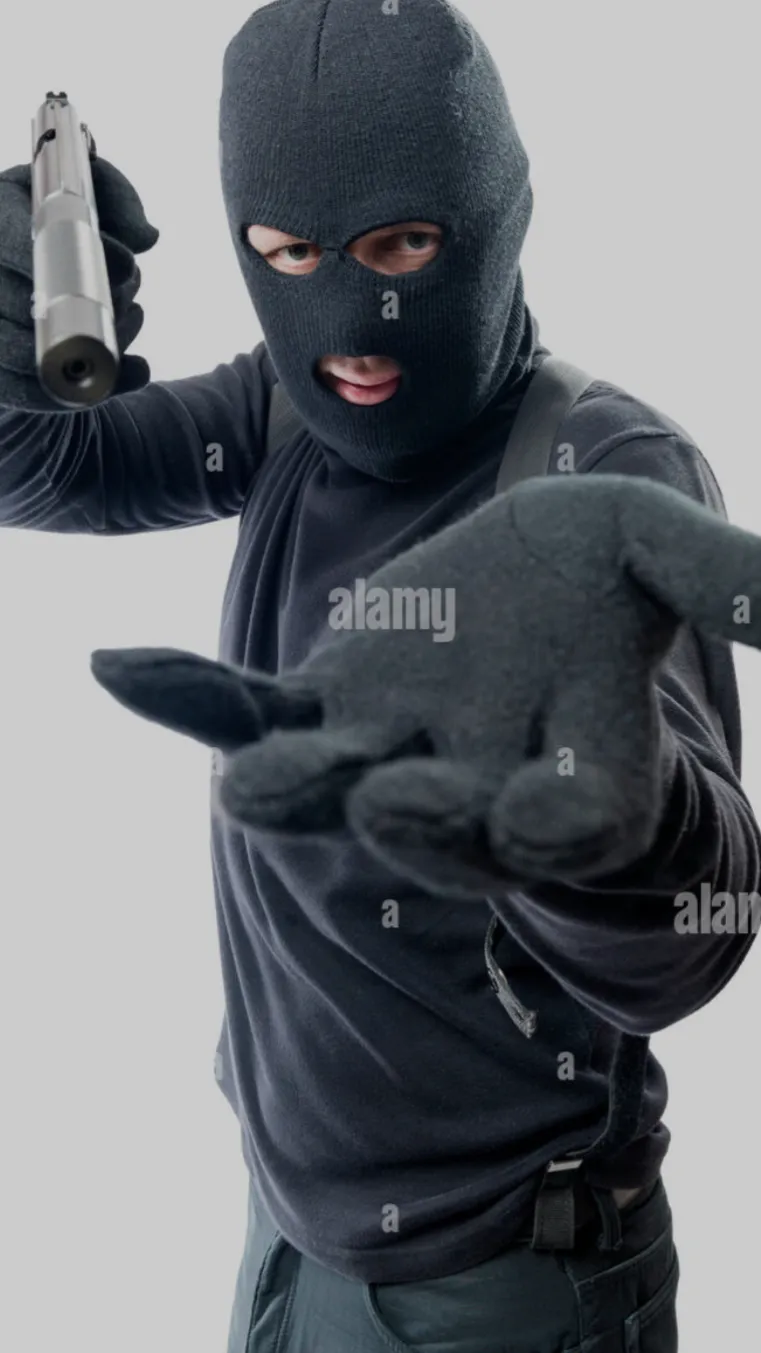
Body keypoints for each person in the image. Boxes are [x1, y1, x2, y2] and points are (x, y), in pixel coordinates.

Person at [1, 2, 758, 1349]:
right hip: (284, 1234)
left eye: (401, 245)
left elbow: (691, 944)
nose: (351, 327)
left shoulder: (605, 472)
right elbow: (47, 465)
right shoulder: (286, 410)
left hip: (503, 1283)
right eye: (290, 254)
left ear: (493, 215)